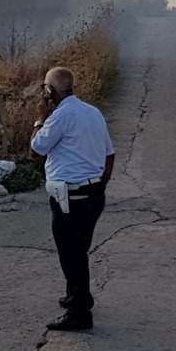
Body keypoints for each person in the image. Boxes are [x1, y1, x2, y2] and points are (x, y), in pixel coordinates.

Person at [30, 66, 115, 331]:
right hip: (93, 194)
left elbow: (35, 150)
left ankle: (79, 312)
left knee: (72, 254)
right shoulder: (93, 112)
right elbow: (109, 154)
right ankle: (76, 296)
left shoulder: (59, 116)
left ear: (49, 91)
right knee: (79, 249)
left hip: (71, 196)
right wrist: (99, 185)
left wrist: (40, 119)